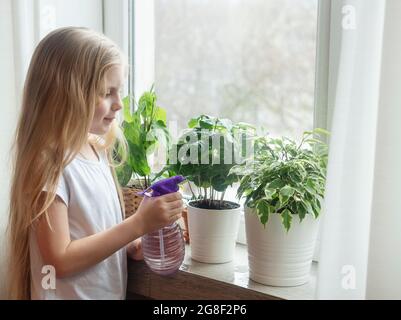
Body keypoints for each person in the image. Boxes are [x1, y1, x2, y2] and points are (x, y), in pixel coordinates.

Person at [6, 27, 183, 300]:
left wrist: (132, 243)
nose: (119, 104)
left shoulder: (96, 152)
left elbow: (91, 235)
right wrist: (137, 224)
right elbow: (60, 260)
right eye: (106, 92)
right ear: (65, 96)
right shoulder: (50, 164)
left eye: (119, 91)